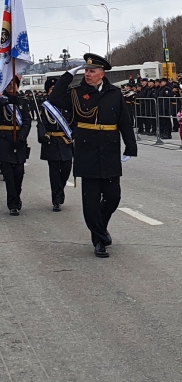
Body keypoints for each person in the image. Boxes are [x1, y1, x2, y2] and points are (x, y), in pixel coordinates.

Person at [49, 53, 137, 258]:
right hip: (86, 151)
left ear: (101, 74)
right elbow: (54, 99)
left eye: (92, 71)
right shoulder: (75, 93)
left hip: (109, 151)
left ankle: (101, 228)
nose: (87, 74)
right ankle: (99, 240)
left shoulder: (114, 93)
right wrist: (67, 76)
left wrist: (130, 147)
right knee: (91, 202)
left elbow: (124, 121)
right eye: (86, 70)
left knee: (113, 197)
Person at [0, 76, 32, 216]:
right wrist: (7, 100)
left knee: (19, 173)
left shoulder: (23, 101)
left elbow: (27, 121)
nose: (11, 86)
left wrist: (21, 138)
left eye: (14, 83)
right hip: (4, 140)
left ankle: (16, 196)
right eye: (8, 84)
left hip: (19, 140)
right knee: (9, 174)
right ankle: (13, 203)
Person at [37, 77, 73, 211]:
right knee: (54, 173)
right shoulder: (45, 107)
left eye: (56, 88)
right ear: (48, 91)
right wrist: (42, 135)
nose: (54, 91)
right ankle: (56, 199)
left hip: (66, 141)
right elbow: (41, 124)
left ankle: (60, 190)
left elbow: (73, 122)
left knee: (66, 168)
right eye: (51, 89)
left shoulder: (68, 104)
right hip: (51, 142)